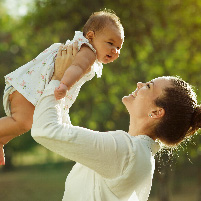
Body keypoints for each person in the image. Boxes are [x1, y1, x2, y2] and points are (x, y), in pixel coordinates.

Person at [31, 46, 201, 201]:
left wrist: (58, 77)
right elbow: (63, 131)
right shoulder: (137, 153)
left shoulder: (128, 151)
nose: (140, 84)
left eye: (148, 86)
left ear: (156, 112)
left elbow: (45, 130)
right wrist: (71, 80)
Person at [0, 10, 124, 165]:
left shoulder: (83, 49)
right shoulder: (88, 52)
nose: (115, 50)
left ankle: (1, 140)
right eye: (110, 43)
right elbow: (77, 68)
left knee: (24, 123)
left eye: (119, 47)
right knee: (23, 122)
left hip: (27, 88)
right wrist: (64, 85)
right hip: (29, 89)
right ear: (91, 36)